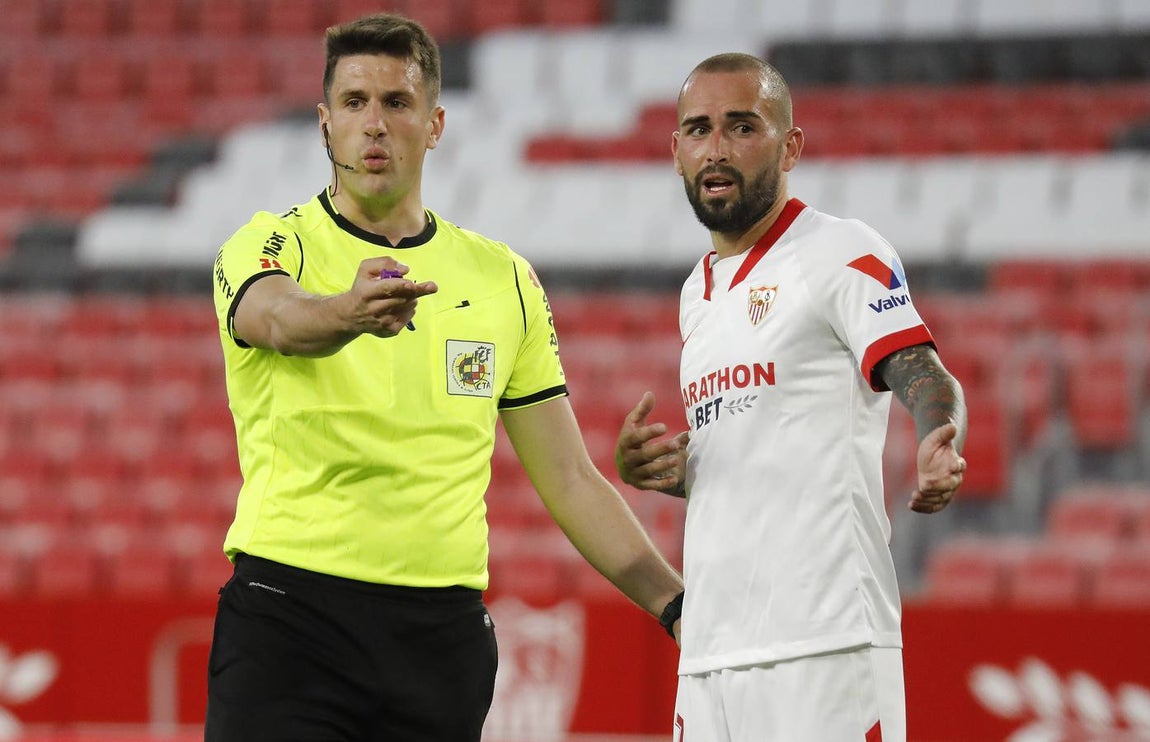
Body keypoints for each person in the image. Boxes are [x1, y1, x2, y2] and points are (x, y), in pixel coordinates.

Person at [205, 13, 684, 741]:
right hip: (289, 620)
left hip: (442, 637)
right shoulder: (274, 242)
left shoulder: (502, 280)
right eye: (355, 102)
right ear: (324, 122)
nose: (374, 124)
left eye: (396, 103)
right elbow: (274, 318)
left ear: (434, 124)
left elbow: (572, 479)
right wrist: (346, 313)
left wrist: (676, 606)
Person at [615, 53, 968, 742]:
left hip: (825, 643)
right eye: (699, 129)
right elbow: (763, 445)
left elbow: (923, 372)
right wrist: (664, 470)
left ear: (791, 145)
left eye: (742, 127)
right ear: (676, 153)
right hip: (712, 652)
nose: (717, 148)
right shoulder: (698, 292)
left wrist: (936, 430)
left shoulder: (839, 251)